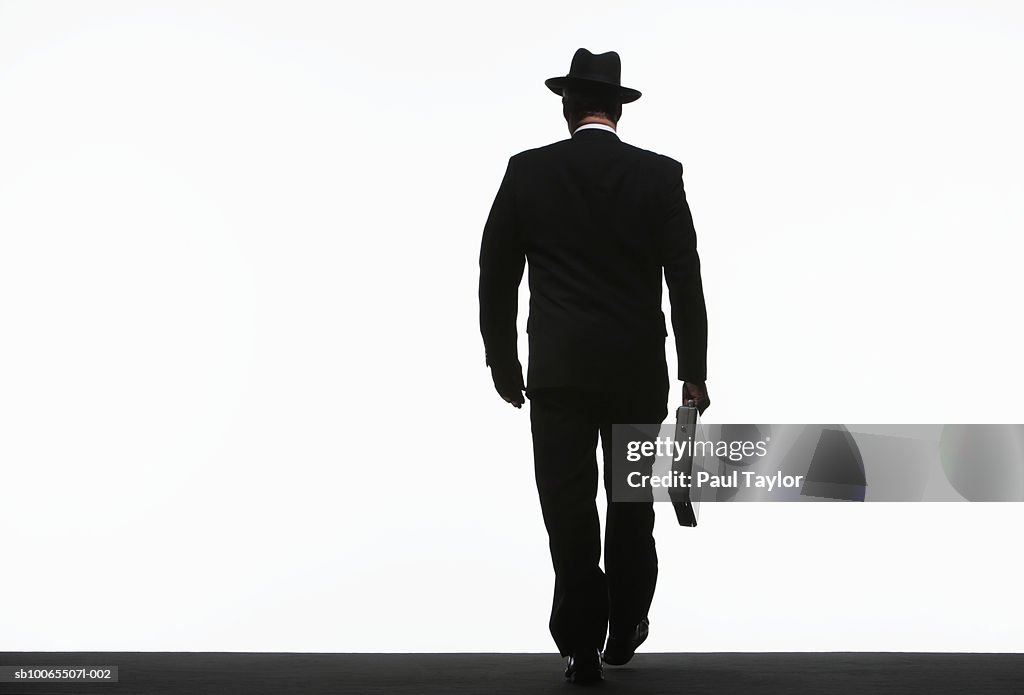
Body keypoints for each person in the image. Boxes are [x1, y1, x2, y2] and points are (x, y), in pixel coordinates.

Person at [478, 47, 710, 685]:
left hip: (556, 373)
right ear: (617, 110)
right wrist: (694, 368)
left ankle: (579, 643)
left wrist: (502, 357)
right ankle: (626, 623)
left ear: (565, 106)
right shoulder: (660, 176)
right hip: (637, 374)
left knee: (568, 506)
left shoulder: (528, 172)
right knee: (631, 506)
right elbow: (684, 281)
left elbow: (495, 273)